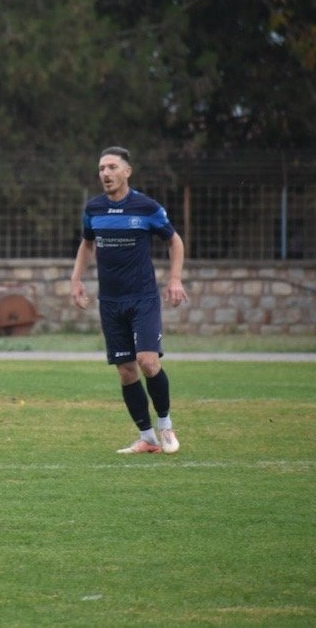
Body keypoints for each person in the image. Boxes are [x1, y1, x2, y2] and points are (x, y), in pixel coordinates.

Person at [70, 146, 187, 454]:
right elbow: (86, 244)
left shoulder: (146, 207)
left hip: (143, 297)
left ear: (126, 172)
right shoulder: (94, 209)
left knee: (148, 362)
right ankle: (147, 438)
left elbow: (175, 241)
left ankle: (166, 426)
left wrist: (175, 279)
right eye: (101, 168)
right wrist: (76, 279)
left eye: (111, 167)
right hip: (110, 301)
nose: (105, 173)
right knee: (126, 370)